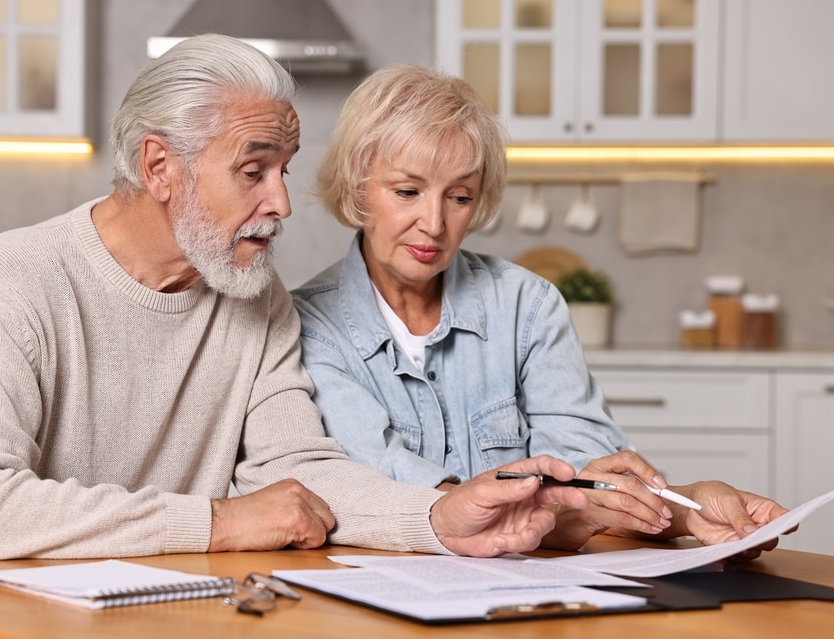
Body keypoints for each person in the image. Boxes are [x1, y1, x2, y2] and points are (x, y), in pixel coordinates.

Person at [0, 36, 594, 639]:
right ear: (160, 167)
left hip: (143, 616)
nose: (281, 203)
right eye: (253, 171)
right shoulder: (17, 277)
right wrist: (217, 521)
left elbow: (300, 467)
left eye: (284, 170)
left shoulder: (254, 295)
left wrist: (436, 517)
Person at [291, 64, 789, 554]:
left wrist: (687, 507)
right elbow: (367, 479)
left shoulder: (527, 305)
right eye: (407, 192)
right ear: (358, 187)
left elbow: (590, 481)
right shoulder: (309, 325)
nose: (434, 223)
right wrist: (542, 512)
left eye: (460, 197)